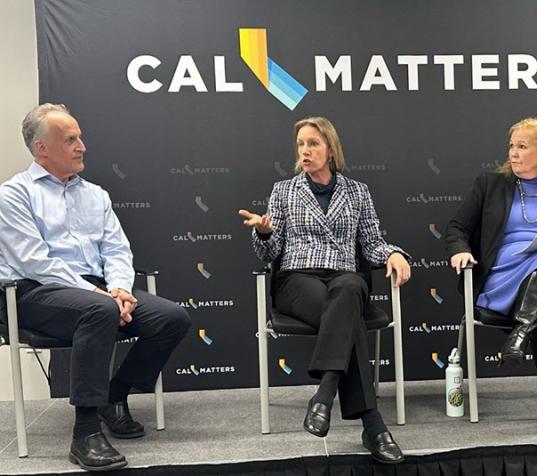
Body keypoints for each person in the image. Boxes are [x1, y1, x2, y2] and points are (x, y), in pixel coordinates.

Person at [0, 104, 191, 471]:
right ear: (41, 148)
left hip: (97, 291)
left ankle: (113, 396)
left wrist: (119, 288)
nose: (81, 146)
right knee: (98, 309)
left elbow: (117, 249)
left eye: (80, 137)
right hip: (34, 293)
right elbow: (34, 262)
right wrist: (101, 297)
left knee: (172, 318)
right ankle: (85, 432)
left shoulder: (96, 195)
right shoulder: (14, 195)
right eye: (70, 139)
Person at [238, 116, 411, 464]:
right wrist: (265, 233)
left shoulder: (358, 191)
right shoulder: (283, 191)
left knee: (349, 290)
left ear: (330, 150)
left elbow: (372, 242)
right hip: (297, 281)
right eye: (301, 144)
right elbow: (270, 254)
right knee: (348, 317)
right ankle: (372, 425)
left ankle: (324, 394)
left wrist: (393, 253)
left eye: (313, 143)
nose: (305, 150)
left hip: (344, 278)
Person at [445, 117, 537, 440]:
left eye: (522, 147)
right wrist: (459, 250)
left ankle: (520, 337)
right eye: (512, 146)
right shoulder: (490, 184)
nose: (513, 153)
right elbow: (457, 228)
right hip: (504, 273)